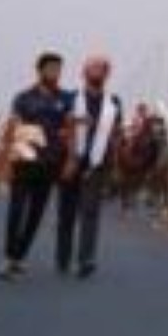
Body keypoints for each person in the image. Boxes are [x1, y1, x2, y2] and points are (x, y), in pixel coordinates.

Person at [0, 52, 72, 281]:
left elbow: (70, 131)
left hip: (50, 164)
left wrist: (69, 158)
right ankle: (9, 257)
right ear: (40, 71)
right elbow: (13, 128)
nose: (55, 73)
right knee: (16, 210)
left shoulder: (66, 99)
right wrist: (6, 161)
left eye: (58, 69)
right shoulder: (24, 98)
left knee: (36, 214)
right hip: (25, 161)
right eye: (51, 69)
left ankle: (20, 257)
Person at [55, 55, 123, 277]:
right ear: (84, 72)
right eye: (93, 68)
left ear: (107, 74)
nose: (97, 72)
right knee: (67, 213)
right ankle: (63, 257)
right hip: (71, 161)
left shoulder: (113, 103)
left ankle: (86, 259)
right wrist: (69, 154)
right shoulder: (70, 98)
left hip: (97, 163)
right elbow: (60, 129)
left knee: (90, 212)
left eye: (102, 69)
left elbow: (115, 135)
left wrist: (114, 166)